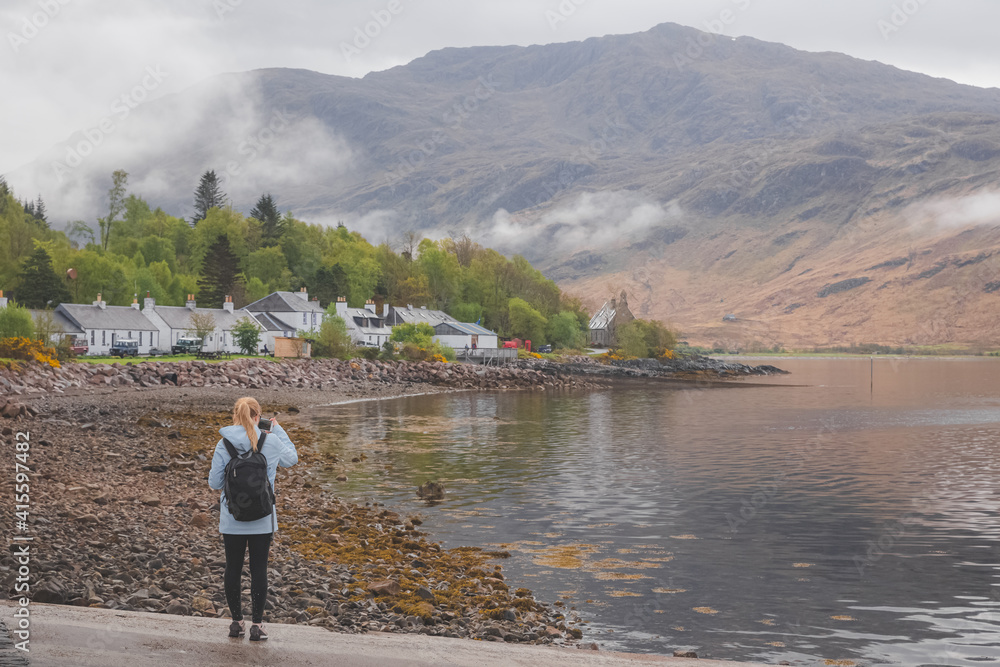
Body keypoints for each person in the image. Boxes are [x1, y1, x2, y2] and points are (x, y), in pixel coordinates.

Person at [208, 397, 298, 641]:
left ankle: (237, 623)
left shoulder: (224, 443)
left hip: (232, 518)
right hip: (263, 517)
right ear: (259, 417)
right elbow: (292, 460)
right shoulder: (271, 440)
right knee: (259, 570)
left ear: (236, 416)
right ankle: (257, 626)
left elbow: (214, 483)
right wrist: (277, 428)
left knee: (233, 568)